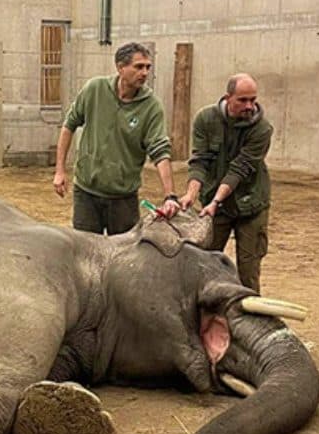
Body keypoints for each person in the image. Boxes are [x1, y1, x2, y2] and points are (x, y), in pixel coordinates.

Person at [53, 42, 179, 235]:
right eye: (139, 67)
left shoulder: (152, 107)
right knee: (86, 248)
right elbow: (69, 125)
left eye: (148, 67)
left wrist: (170, 195)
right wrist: (60, 171)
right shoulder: (95, 89)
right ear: (120, 67)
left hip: (123, 199)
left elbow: (160, 152)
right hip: (86, 193)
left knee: (125, 251)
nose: (145, 73)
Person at [178, 74, 273, 293]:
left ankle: (248, 312)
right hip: (216, 206)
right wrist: (191, 194)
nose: (249, 106)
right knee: (205, 264)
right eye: (242, 100)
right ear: (228, 97)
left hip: (250, 204)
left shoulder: (262, 129)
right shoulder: (206, 119)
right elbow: (200, 160)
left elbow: (239, 169)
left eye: (253, 100)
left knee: (248, 272)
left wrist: (215, 201)